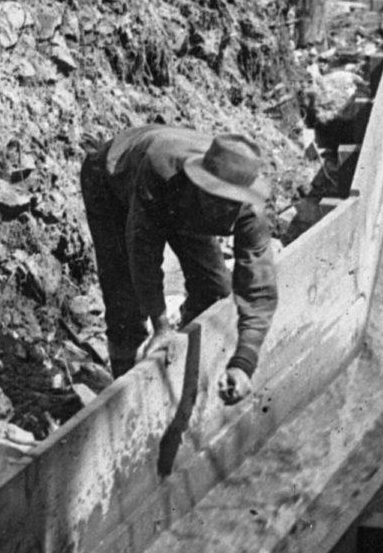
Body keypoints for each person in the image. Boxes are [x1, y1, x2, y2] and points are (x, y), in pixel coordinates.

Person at [80, 125, 278, 404]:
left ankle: (180, 363)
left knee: (215, 290)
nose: (220, 210)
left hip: (182, 200)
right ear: (202, 183)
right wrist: (160, 324)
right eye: (214, 198)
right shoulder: (160, 172)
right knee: (125, 302)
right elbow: (142, 252)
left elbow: (259, 290)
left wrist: (244, 363)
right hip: (113, 181)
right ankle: (125, 395)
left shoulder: (250, 214)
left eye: (229, 204)